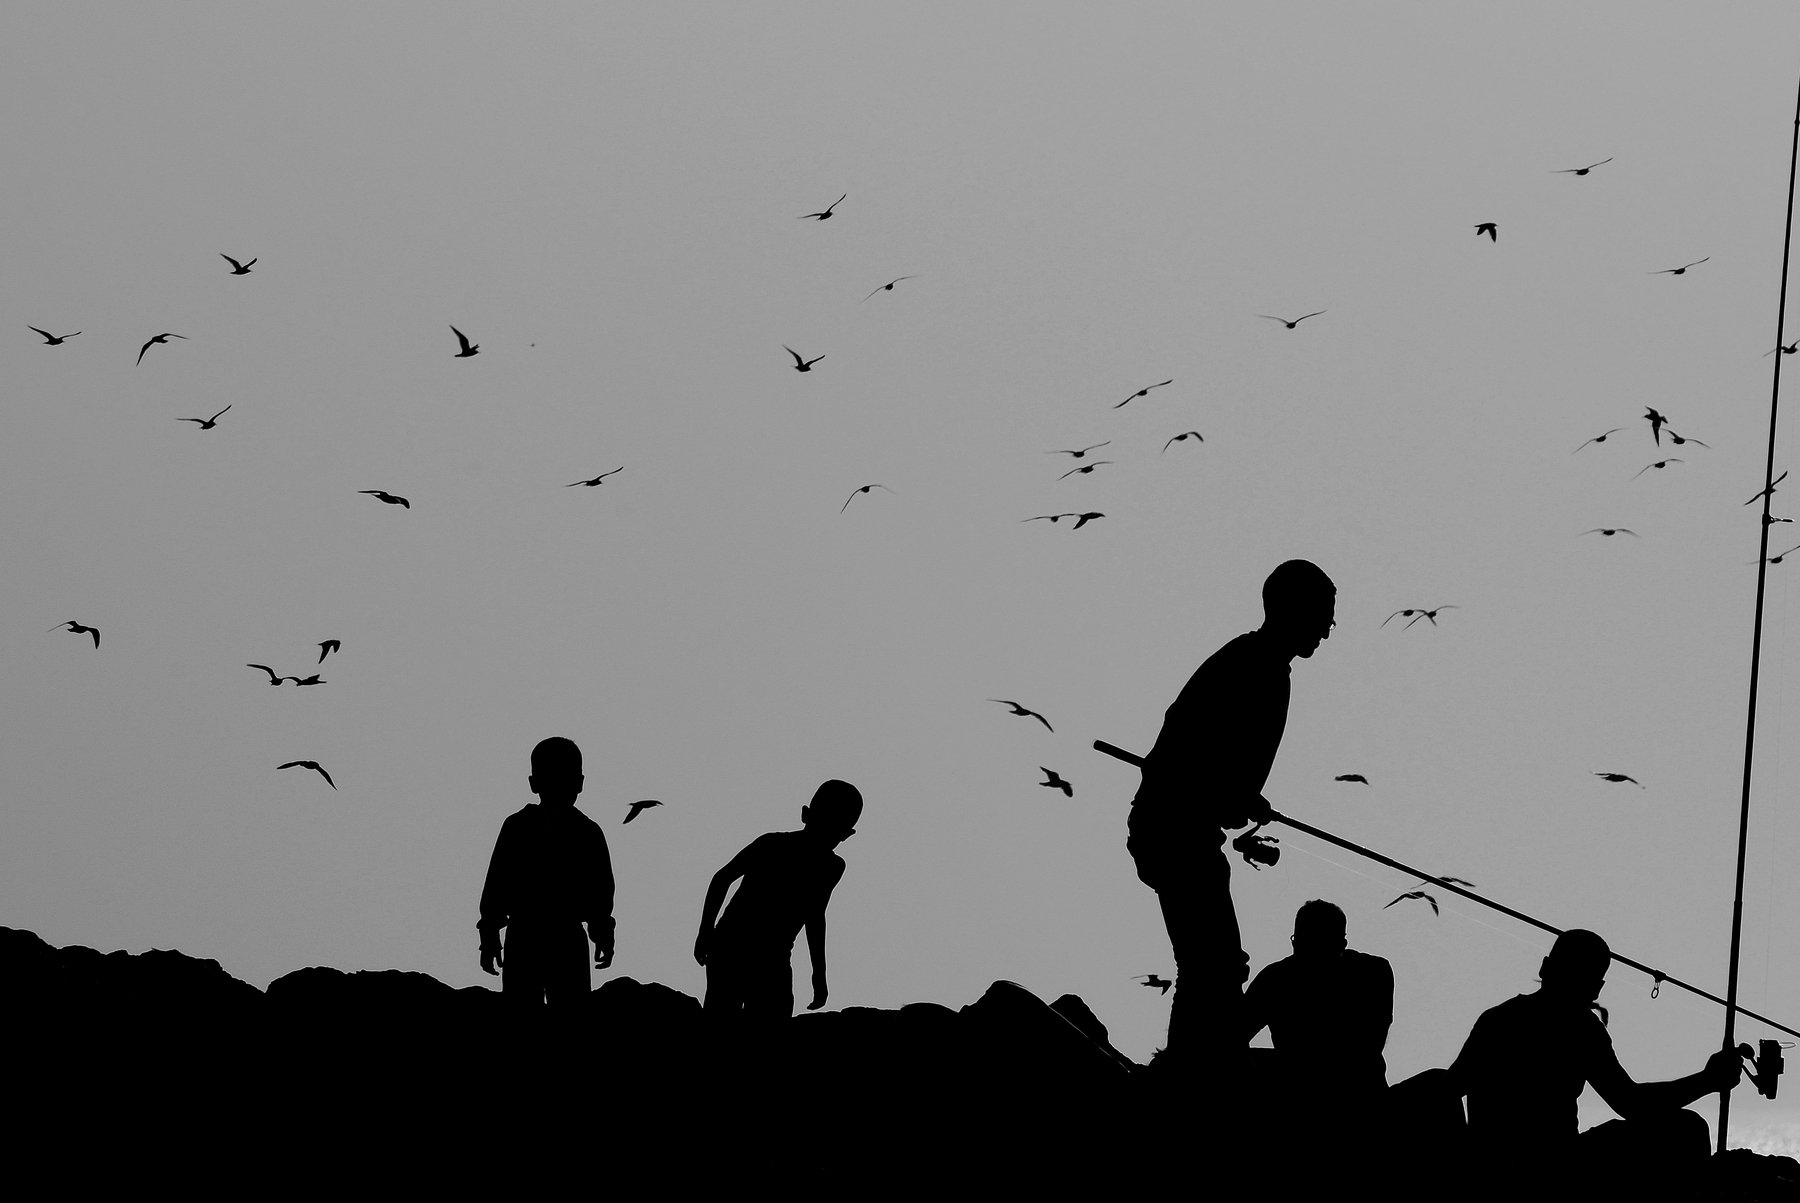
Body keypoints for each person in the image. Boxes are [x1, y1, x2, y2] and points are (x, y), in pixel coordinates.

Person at [1127, 559, 1336, 1069]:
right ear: (1293, 611)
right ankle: (1186, 1071)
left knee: (1214, 962)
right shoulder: (1253, 666)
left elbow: (1217, 768)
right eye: (1323, 616)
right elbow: (1194, 748)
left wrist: (1241, 796)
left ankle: (1189, 1064)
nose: (1329, 629)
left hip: (1179, 827)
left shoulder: (1259, 665)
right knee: (1214, 964)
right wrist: (1233, 794)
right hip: (1173, 828)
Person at [1446, 928, 1741, 1194]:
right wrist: (1708, 1081)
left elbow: (1448, 1089)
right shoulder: (1582, 1029)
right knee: (1687, 1129)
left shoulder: (1497, 1019)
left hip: (1499, 1170)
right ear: (1596, 988)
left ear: (1545, 967)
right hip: (1556, 1169)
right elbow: (1631, 1103)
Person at [693, 779, 862, 1020]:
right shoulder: (774, 846)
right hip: (735, 947)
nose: (827, 836)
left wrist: (819, 974)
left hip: (766, 955)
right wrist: (705, 932)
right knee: (726, 1017)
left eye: (834, 829)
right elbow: (722, 879)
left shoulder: (828, 866)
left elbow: (815, 917)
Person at [477, 736, 615, 1008]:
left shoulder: (517, 827)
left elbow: (495, 889)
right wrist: (602, 933)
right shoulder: (588, 833)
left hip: (525, 937)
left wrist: (489, 935)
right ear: (580, 782)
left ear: (533, 783)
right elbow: (600, 895)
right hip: (564, 939)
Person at [1241, 899, 1393, 1102]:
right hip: (1357, 1093)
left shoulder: (1275, 979)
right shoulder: (1373, 971)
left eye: (1318, 944)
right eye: (1305, 943)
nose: (1310, 952)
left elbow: (1367, 1050)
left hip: (1328, 1093)